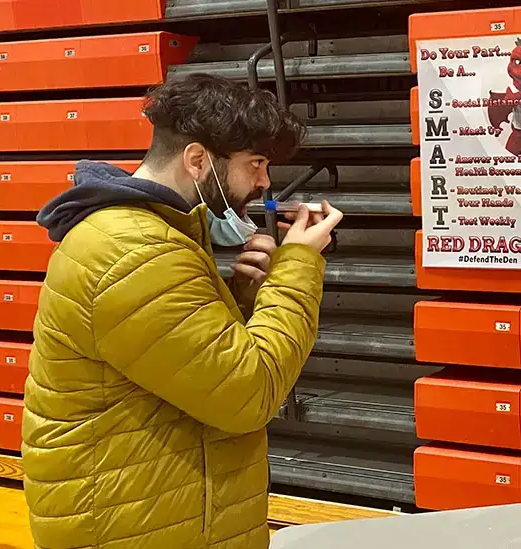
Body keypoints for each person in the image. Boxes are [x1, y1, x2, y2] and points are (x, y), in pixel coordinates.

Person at [22, 73, 343, 549]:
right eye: (255, 163)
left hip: (154, 511)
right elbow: (248, 392)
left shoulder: (149, 235)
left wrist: (243, 297)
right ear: (197, 160)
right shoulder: (135, 252)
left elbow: (179, 364)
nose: (264, 182)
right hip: (133, 525)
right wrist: (299, 264)